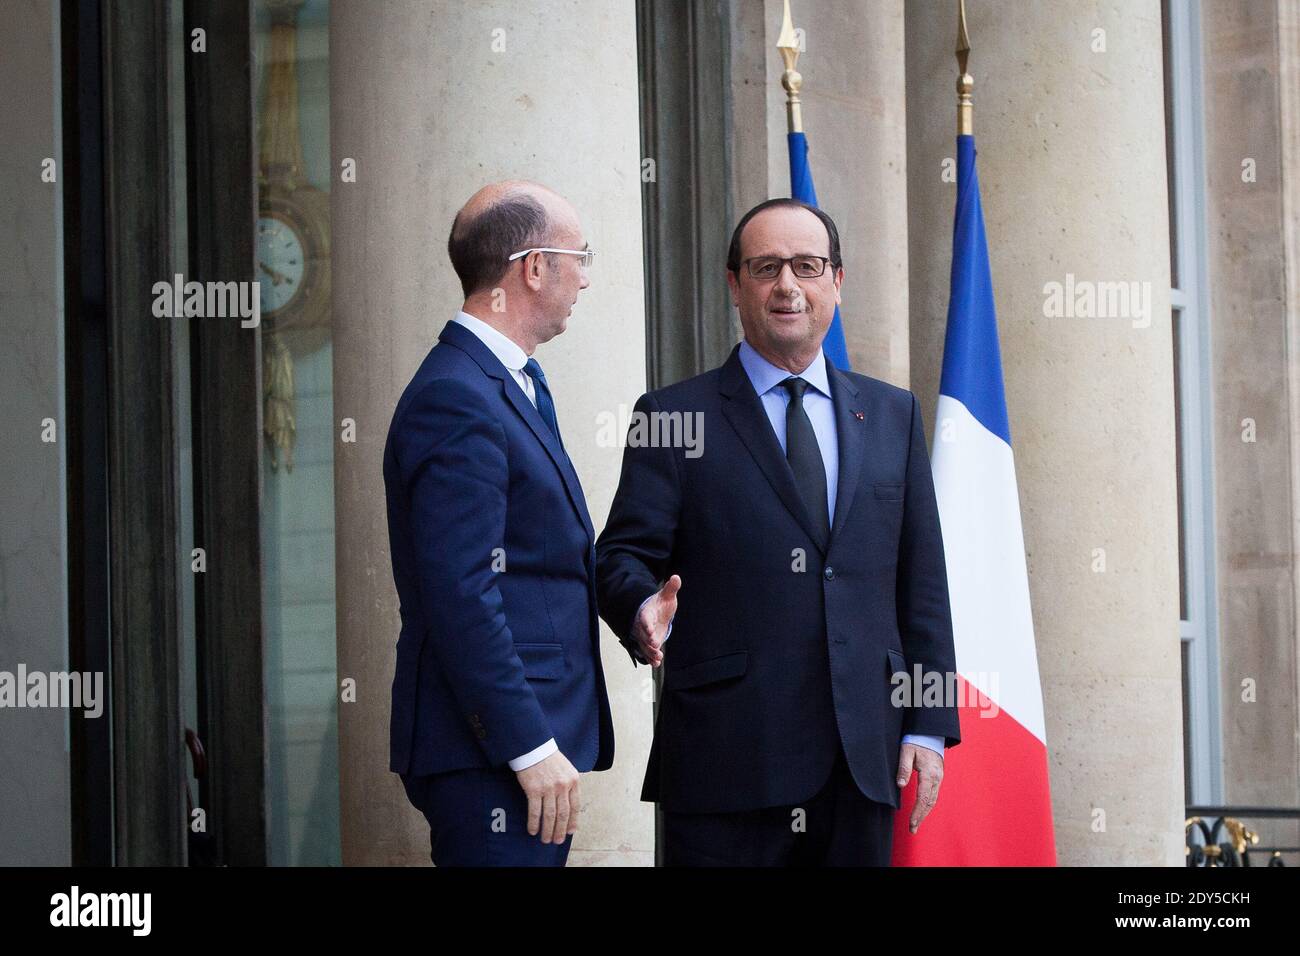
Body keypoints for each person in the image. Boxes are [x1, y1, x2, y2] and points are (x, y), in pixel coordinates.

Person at [596, 198, 961, 866]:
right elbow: (620, 555)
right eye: (766, 267)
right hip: (727, 766)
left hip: (862, 763)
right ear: (735, 284)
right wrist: (645, 609)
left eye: (806, 266)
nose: (787, 285)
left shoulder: (891, 414)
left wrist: (931, 725)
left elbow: (923, 582)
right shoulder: (673, 415)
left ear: (837, 282)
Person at [384, 180, 614, 866]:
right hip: (494, 754)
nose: (586, 278)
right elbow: (461, 591)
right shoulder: (457, 394)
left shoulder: (509, 382)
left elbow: (544, 555)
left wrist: (630, 614)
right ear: (534, 266)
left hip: (518, 749)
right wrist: (528, 744)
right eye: (580, 256)